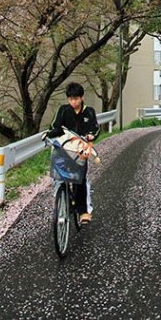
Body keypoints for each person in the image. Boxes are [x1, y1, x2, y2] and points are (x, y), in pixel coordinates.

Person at [47, 82, 100, 224]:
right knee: (59, 177)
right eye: (70, 99)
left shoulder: (89, 112)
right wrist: (50, 134)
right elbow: (55, 127)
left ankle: (83, 211)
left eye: (76, 99)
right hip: (64, 148)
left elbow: (95, 128)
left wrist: (90, 136)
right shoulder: (63, 110)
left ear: (81, 97)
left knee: (79, 179)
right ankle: (60, 204)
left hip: (80, 150)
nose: (73, 102)